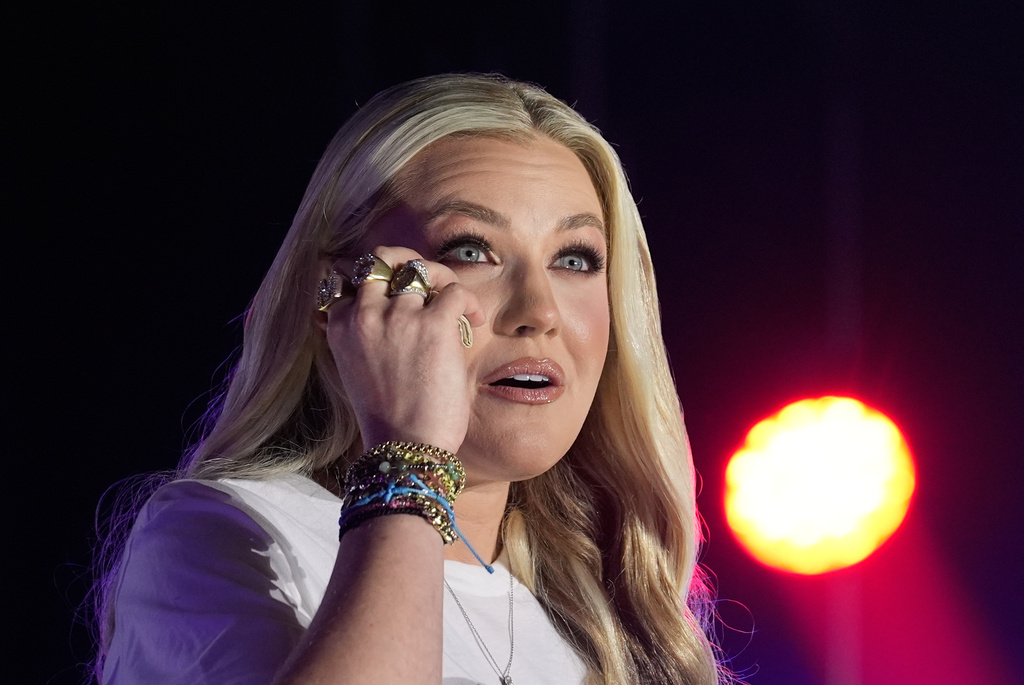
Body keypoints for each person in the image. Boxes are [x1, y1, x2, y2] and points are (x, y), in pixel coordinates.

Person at [94, 73, 729, 685]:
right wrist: (410, 460)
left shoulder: (610, 617)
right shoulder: (222, 534)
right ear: (337, 294)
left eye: (575, 259)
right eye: (471, 250)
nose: (538, 312)